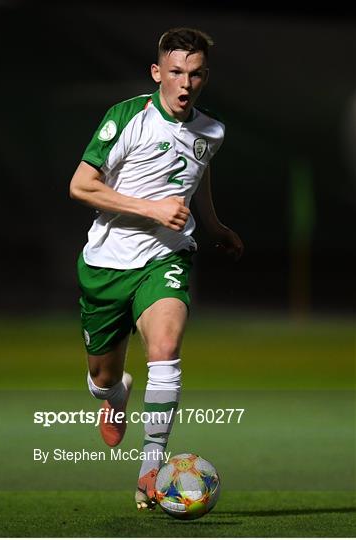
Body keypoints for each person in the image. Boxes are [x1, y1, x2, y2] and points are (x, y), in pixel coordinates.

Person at [69, 27, 243, 510]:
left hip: (167, 256)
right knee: (101, 378)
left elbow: (195, 177)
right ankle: (113, 394)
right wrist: (151, 209)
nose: (185, 83)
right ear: (157, 73)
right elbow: (81, 187)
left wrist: (213, 225)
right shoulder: (128, 118)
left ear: (205, 76)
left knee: (165, 348)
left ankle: (151, 470)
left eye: (195, 74)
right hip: (107, 262)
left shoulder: (212, 130)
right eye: (175, 73)